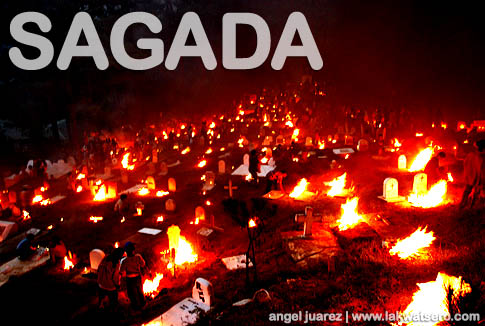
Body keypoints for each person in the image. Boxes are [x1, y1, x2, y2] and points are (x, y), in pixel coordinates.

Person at [120, 242, 146, 310]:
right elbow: (143, 264)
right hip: (138, 278)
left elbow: (121, 270)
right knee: (140, 291)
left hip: (130, 279)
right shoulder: (138, 257)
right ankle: (143, 304)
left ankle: (136, 307)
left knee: (132, 293)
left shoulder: (124, 261)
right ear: (133, 250)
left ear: (126, 251)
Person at [460, 140, 485, 208]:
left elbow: (465, 163)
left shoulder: (471, 155)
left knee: (469, 190)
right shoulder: (480, 157)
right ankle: (470, 204)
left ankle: (465, 204)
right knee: (475, 191)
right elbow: (481, 169)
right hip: (476, 177)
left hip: (471, 177)